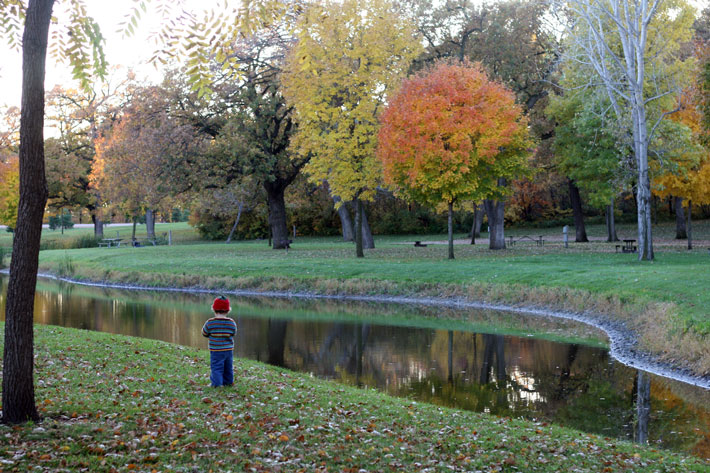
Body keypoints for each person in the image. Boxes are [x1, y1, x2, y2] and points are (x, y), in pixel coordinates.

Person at [201, 296, 237, 387]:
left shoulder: (210, 322)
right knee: (228, 367)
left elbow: (204, 333)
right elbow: (233, 333)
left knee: (217, 367)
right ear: (228, 310)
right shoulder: (231, 322)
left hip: (216, 350)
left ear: (214, 309)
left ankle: (217, 384)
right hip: (228, 350)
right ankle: (228, 382)